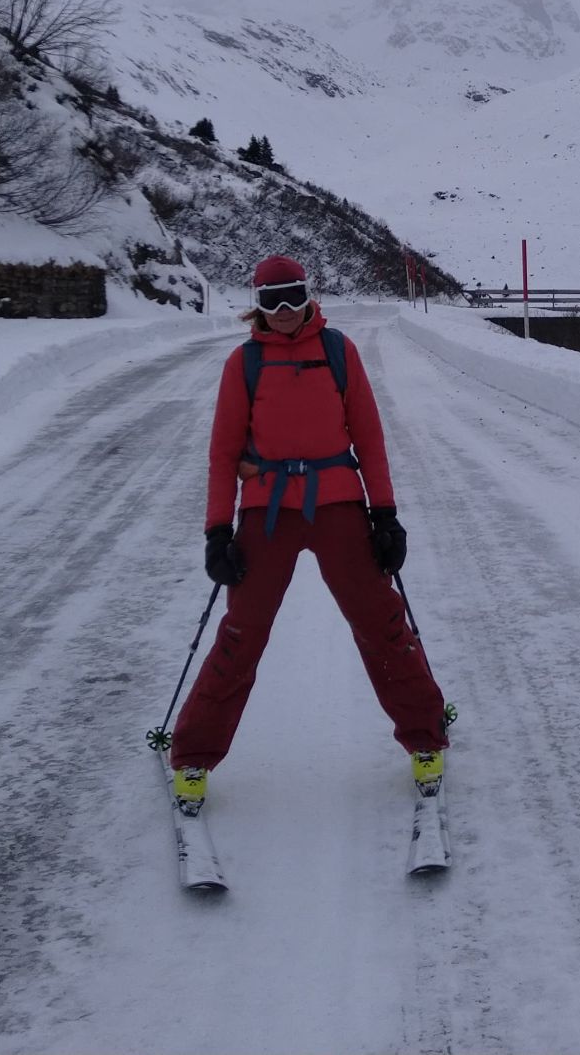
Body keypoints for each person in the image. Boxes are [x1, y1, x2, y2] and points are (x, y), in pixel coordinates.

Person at [168, 255, 449, 812]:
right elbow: (223, 454)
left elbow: (369, 438)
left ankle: (426, 738)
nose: (284, 310)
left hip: (338, 504)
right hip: (267, 511)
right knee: (242, 633)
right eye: (271, 300)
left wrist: (385, 515)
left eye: (294, 296)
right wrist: (217, 531)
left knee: (381, 621)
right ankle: (193, 755)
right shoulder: (244, 363)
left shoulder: (339, 352)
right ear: (257, 305)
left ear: (309, 296)